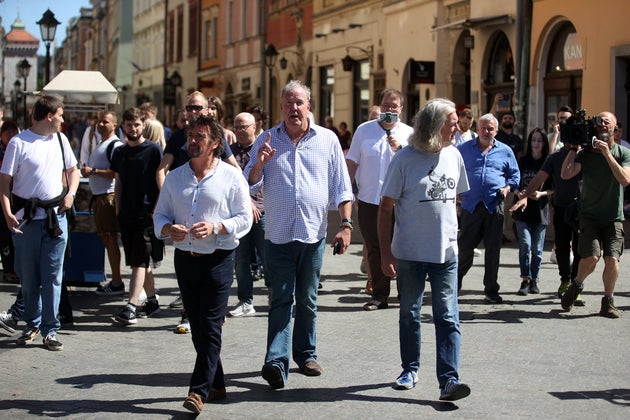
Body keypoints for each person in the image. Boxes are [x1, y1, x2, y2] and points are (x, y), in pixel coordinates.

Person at [244, 80, 353, 389]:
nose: (294, 108)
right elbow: (248, 185)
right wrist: (260, 165)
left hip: (313, 235)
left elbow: (342, 187)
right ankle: (276, 362)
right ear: (281, 108)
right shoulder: (266, 139)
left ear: (309, 106)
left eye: (299, 102)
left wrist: (346, 225)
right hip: (277, 236)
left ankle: (305, 354)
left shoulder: (328, 140)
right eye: (288, 103)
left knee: (307, 299)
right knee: (280, 299)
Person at [154, 114, 252, 414]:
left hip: (219, 261)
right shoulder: (175, 177)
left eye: (199, 136)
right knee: (198, 328)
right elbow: (159, 216)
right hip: (185, 260)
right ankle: (218, 383)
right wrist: (169, 230)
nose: (192, 141)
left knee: (210, 326)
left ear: (215, 143)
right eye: (190, 136)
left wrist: (218, 227)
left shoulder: (231, 176)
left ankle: (198, 391)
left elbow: (245, 218)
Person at [379, 98, 471, 401]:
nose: (458, 126)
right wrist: (385, 252)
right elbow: (385, 207)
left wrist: (451, 233)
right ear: (435, 125)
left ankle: (449, 380)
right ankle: (410, 369)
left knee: (447, 316)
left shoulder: (454, 155)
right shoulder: (404, 159)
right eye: (453, 121)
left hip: (446, 254)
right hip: (409, 254)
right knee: (410, 314)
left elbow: (457, 199)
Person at [0, 95, 79, 350]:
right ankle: (32, 324)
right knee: (29, 277)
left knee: (54, 275)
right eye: (61, 115)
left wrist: (71, 194)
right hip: (26, 220)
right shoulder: (19, 142)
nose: (63, 120)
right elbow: (4, 182)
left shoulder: (60, 139)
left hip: (56, 218)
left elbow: (73, 171)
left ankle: (50, 329)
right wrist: (7, 212)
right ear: (49, 116)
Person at [156, 91, 239, 333]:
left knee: (210, 316)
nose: (192, 112)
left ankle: (207, 317)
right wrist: (168, 198)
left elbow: (234, 169)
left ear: (207, 109)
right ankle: (188, 314)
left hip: (212, 223)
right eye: (189, 107)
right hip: (183, 209)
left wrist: (246, 197)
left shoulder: (215, 135)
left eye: (197, 107)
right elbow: (162, 169)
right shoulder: (179, 136)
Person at [346, 88, 414, 311]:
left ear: (401, 109)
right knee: (374, 248)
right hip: (369, 200)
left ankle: (406, 293)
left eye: (394, 106)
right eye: (385, 105)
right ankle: (379, 295)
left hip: (401, 202)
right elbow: (352, 163)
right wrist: (348, 192)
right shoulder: (364, 131)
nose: (389, 110)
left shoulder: (410, 133)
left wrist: (401, 149)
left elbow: (416, 167)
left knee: (402, 247)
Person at [559, 112, 630, 318]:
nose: (603, 123)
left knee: (611, 259)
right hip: (589, 215)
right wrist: (573, 148)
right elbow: (566, 174)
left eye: (607, 121)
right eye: (599, 121)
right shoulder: (586, 154)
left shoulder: (623, 152)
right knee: (591, 257)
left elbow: (625, 180)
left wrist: (607, 153)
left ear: (615, 130)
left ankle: (608, 301)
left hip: (613, 217)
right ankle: (576, 285)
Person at [512, 128, 584, 303]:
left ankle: (576, 284)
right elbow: (538, 179)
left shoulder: (588, 155)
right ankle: (565, 280)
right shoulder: (554, 158)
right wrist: (524, 196)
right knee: (562, 246)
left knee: (580, 249)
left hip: (583, 209)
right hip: (561, 208)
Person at [457, 113, 520, 303]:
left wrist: (508, 188)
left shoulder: (506, 151)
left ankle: (491, 289)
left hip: (494, 206)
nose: (486, 131)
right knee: (465, 248)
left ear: (496, 131)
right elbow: (452, 171)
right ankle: (454, 284)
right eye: (483, 127)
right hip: (470, 205)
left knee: (493, 251)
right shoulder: (463, 149)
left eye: (490, 128)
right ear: (478, 129)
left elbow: (515, 176)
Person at [110, 107, 163, 325]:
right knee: (139, 260)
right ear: (123, 126)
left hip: (146, 213)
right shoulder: (119, 152)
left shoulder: (153, 150)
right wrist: (118, 208)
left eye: (137, 124)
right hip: (127, 213)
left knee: (139, 260)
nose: (133, 128)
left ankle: (131, 306)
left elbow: (161, 180)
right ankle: (151, 301)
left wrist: (158, 209)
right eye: (130, 124)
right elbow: (118, 181)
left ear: (143, 125)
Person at [79, 111, 124, 296]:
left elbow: (117, 172)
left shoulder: (115, 145)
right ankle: (115, 280)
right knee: (106, 239)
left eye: (105, 121)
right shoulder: (101, 143)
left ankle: (116, 281)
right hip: (99, 196)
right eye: (99, 121)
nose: (100, 124)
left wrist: (94, 171)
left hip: (108, 196)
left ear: (114, 125)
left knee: (111, 239)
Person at [228, 112, 266, 317]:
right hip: (237, 214)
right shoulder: (228, 153)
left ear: (254, 127)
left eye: (244, 126)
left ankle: (275, 294)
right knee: (240, 260)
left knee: (268, 257)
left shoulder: (264, 150)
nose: (240, 131)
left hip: (262, 211)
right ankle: (245, 301)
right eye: (237, 127)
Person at [508, 128, 552, 295]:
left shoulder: (548, 162)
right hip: (522, 209)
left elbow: (553, 188)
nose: (536, 144)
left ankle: (535, 280)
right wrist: (520, 193)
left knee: (537, 249)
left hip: (540, 211)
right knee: (525, 245)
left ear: (544, 143)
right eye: (533, 140)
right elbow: (514, 182)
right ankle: (525, 279)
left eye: (540, 141)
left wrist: (541, 193)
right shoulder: (522, 160)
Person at [0, 120, 20, 283]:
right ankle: (8, 269)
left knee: (17, 234)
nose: (12, 136)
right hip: (3, 199)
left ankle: (17, 268)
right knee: (5, 235)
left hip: (18, 199)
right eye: (8, 133)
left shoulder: (19, 149)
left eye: (14, 132)